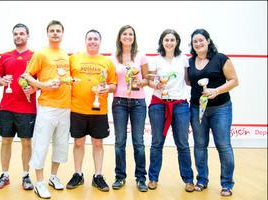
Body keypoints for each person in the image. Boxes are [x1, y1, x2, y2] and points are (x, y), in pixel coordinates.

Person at [187, 29, 239, 197]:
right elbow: (190, 82)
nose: (198, 43)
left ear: (208, 41)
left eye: (201, 40)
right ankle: (202, 180)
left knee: (223, 146)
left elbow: (234, 81)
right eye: (195, 41)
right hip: (197, 109)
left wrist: (216, 91)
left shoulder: (220, 58)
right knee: (200, 146)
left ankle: (227, 183)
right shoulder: (190, 61)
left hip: (221, 109)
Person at [23, 20, 70, 199]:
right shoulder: (41, 54)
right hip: (47, 107)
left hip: (65, 107)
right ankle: (40, 182)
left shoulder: (66, 55)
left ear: (62, 34)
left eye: (58, 30)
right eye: (52, 31)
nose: (55, 33)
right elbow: (26, 75)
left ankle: (53, 177)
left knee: (61, 145)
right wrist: (42, 85)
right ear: (47, 34)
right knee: (41, 145)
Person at [66, 29, 117, 192]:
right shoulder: (74, 58)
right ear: (85, 40)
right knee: (78, 143)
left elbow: (113, 85)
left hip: (99, 110)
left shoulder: (107, 62)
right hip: (77, 109)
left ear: (100, 41)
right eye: (90, 38)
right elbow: (66, 79)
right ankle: (78, 174)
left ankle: (98, 176)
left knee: (98, 143)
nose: (92, 41)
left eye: (95, 39)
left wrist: (106, 88)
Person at [147, 29, 194, 192]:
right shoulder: (156, 60)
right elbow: (150, 81)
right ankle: (152, 178)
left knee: (183, 144)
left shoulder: (184, 59)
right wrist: (156, 84)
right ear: (162, 42)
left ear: (177, 42)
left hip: (180, 105)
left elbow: (188, 80)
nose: (169, 42)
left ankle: (188, 179)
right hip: (158, 104)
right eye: (166, 40)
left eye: (172, 40)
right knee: (156, 143)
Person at [0, 23, 37, 190]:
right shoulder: (5, 56)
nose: (19, 36)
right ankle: (5, 175)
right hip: (7, 107)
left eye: (22, 34)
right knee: (6, 141)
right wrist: (0, 81)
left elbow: (38, 81)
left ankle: (26, 175)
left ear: (27, 35)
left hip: (27, 107)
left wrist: (33, 88)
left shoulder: (34, 56)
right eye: (16, 34)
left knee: (26, 142)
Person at [110, 25, 149, 192]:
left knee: (138, 142)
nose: (127, 36)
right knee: (119, 142)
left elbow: (147, 79)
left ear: (134, 37)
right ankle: (120, 176)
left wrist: (141, 82)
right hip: (119, 102)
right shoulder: (113, 57)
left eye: (130, 34)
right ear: (120, 37)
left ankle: (141, 178)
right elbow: (111, 81)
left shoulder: (141, 56)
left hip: (138, 103)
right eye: (124, 34)